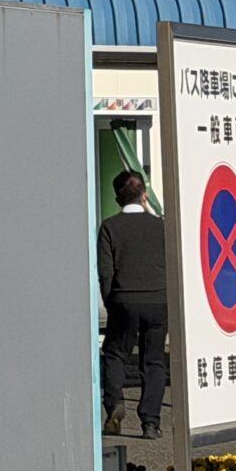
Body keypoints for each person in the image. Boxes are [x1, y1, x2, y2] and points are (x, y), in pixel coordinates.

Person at [99, 169, 170, 439]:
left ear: (118, 198)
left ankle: (115, 404)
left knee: (116, 353)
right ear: (144, 195)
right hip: (157, 299)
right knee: (153, 361)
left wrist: (112, 300)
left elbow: (105, 272)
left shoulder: (110, 227)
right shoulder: (160, 226)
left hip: (124, 299)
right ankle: (151, 421)